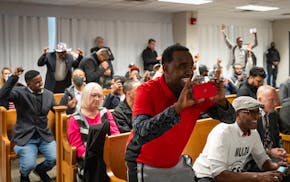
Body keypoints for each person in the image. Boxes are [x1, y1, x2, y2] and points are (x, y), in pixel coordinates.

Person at [125, 44, 236, 182]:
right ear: (165, 68)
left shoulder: (196, 91)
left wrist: (222, 102)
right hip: (144, 161)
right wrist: (177, 108)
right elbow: (141, 133)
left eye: (191, 67)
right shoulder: (147, 90)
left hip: (175, 161)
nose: (189, 72)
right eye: (182, 66)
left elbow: (230, 119)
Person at [193, 96, 287, 182]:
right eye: (249, 113)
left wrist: (276, 166)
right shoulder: (222, 133)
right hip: (207, 177)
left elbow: (262, 160)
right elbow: (219, 175)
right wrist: (259, 177)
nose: (256, 116)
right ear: (236, 114)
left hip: (232, 175)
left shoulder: (253, 133)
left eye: (257, 112)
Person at [0, 68, 57, 182]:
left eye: (41, 81)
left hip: (44, 135)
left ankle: (40, 170)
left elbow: (58, 110)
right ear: (28, 84)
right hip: (26, 137)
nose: (40, 84)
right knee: (29, 165)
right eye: (36, 82)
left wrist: (68, 107)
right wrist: (13, 77)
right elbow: (2, 95)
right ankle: (24, 175)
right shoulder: (20, 93)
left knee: (54, 158)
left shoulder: (48, 94)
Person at [67, 82, 120, 180]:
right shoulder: (75, 118)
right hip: (88, 161)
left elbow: (115, 135)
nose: (97, 98)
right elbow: (77, 146)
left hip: (108, 156)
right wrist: (93, 158)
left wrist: (111, 155)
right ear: (85, 96)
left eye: (99, 96)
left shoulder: (105, 112)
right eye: (93, 95)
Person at [243, 85, 288, 173]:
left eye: (276, 99)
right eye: (271, 100)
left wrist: (280, 151)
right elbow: (249, 148)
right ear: (259, 100)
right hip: (254, 161)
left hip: (272, 157)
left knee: (286, 170)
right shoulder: (251, 118)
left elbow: (277, 137)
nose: (275, 104)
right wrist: (270, 152)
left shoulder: (273, 114)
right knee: (281, 173)